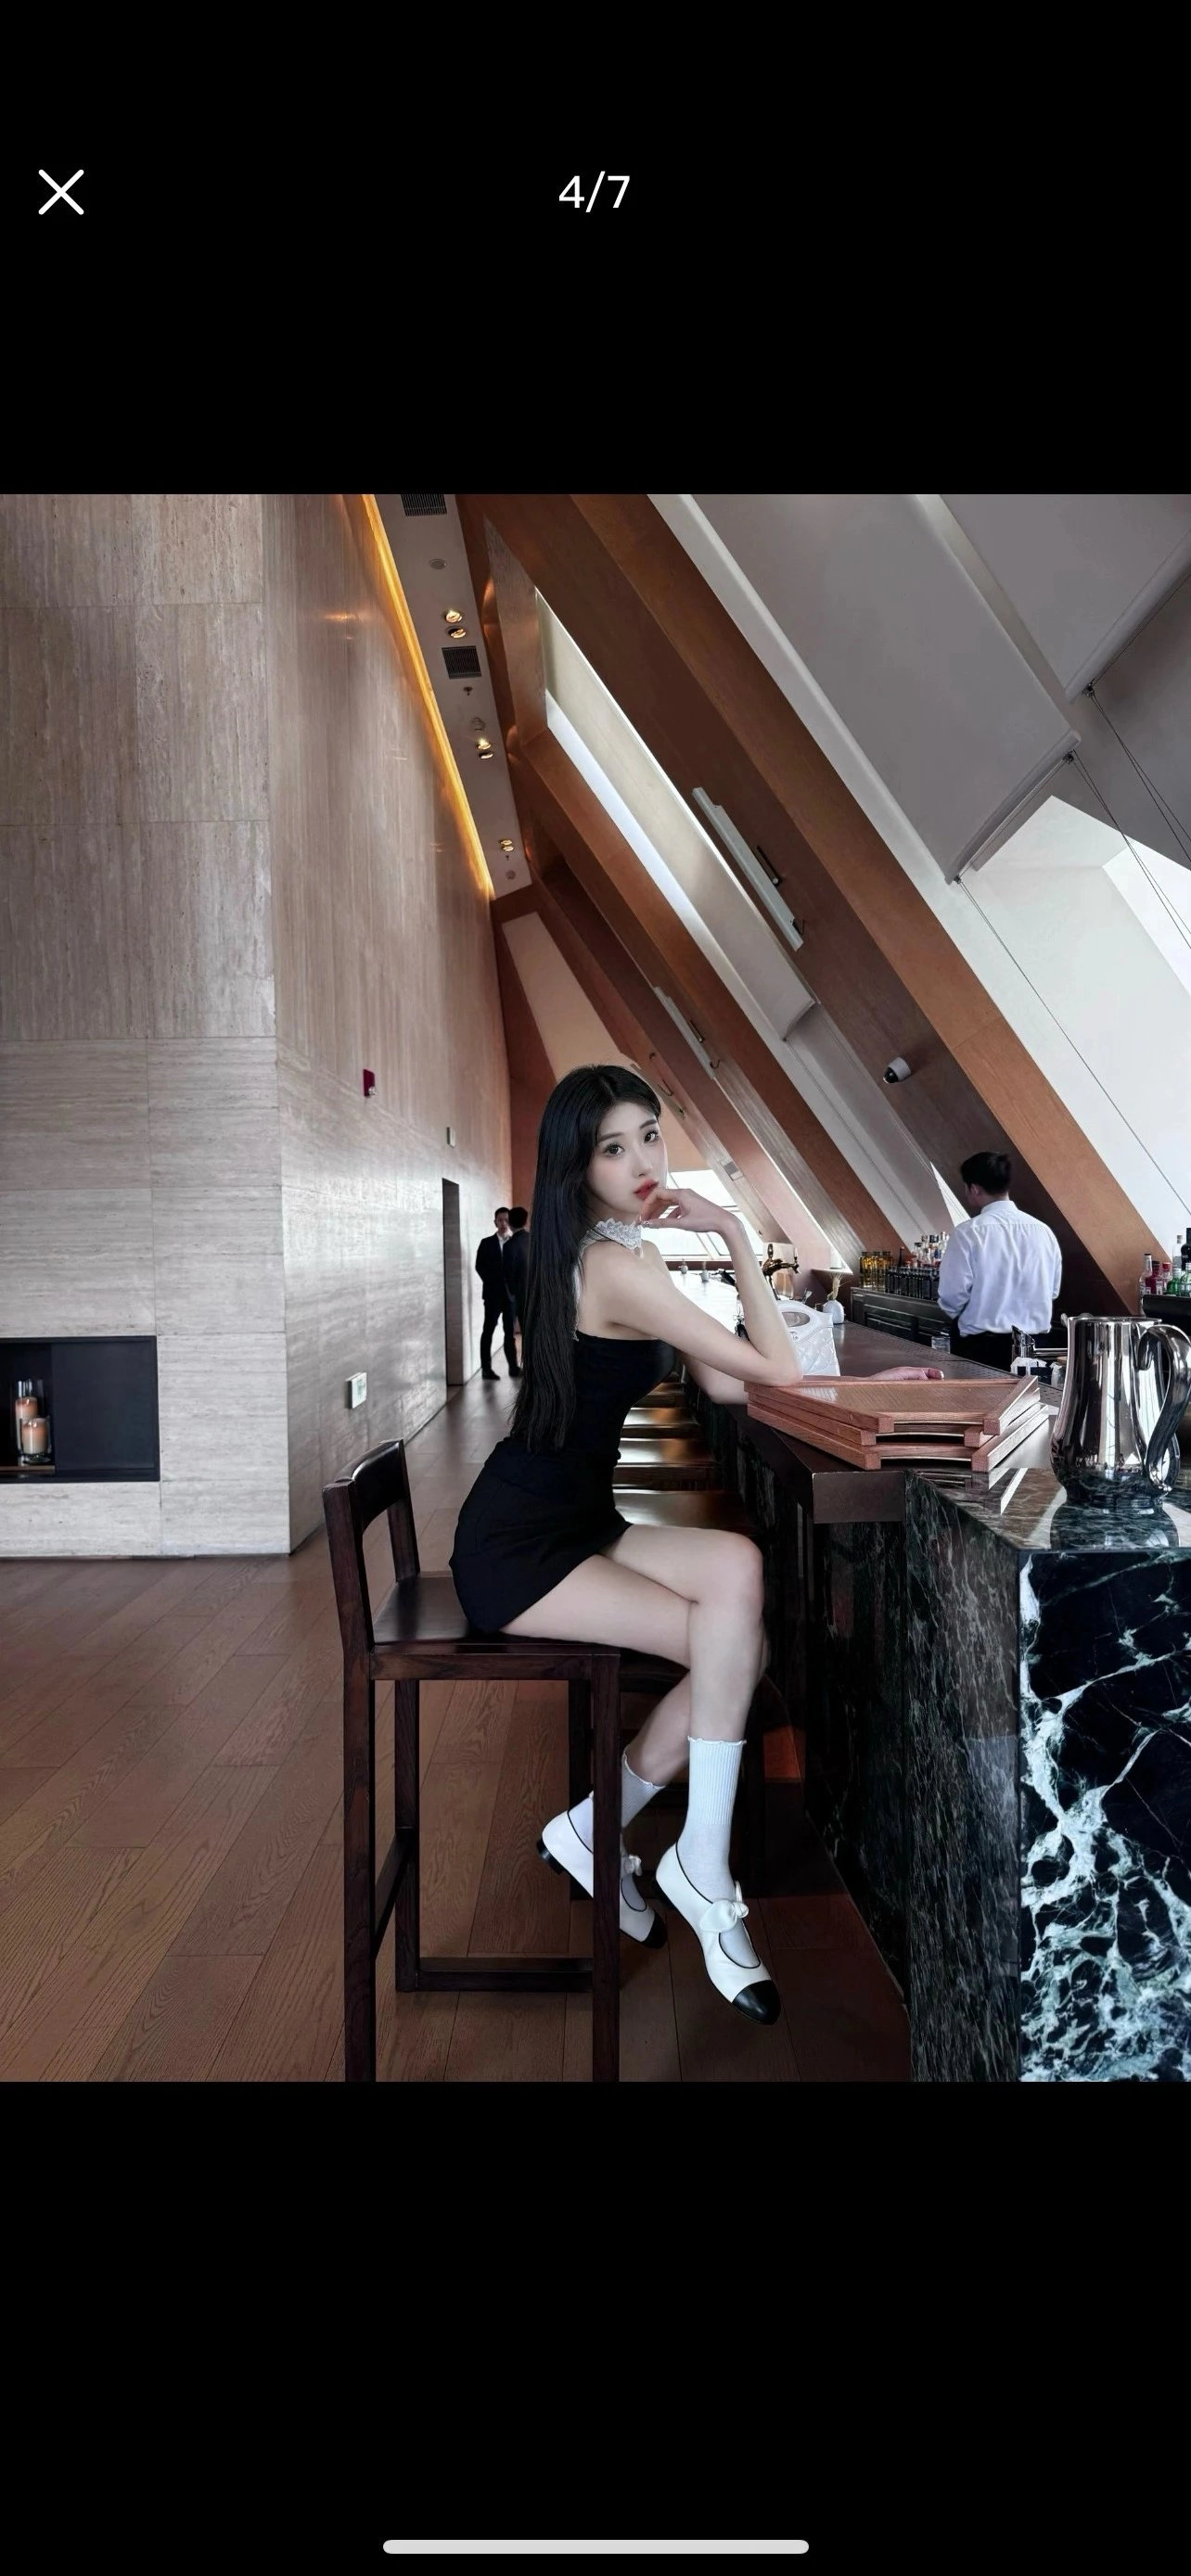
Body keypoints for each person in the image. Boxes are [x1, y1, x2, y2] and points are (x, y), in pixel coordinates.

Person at [449, 1064, 939, 2029]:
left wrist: (859, 1393)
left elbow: (726, 1384)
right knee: (734, 1650)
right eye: (613, 1148)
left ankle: (597, 1831)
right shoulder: (616, 1269)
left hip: (577, 1519)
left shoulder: (614, 1250)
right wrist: (731, 1235)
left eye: (649, 1136)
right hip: (518, 1546)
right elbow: (771, 1367)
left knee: (738, 1585)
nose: (642, 1162)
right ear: (577, 1167)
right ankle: (702, 1871)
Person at [937, 1151, 1062, 1371]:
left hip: (981, 1346)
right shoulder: (1043, 1231)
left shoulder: (968, 1232)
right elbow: (1052, 1290)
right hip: (1035, 1346)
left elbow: (952, 1295)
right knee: (1029, 1395)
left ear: (974, 1188)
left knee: (977, 1395)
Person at [475, 1206, 520, 1381]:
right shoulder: (486, 1243)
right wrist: (492, 1282)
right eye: (500, 1220)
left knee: (509, 1334)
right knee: (488, 1331)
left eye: (506, 1220)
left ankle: (513, 1368)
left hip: (510, 1297)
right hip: (492, 1296)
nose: (503, 1223)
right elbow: (479, 1266)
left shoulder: (514, 1243)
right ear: (495, 1222)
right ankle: (486, 1369)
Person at [501, 1205, 530, 1343]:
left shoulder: (509, 1245)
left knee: (527, 1333)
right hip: (542, 1294)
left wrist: (512, 1293)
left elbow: (509, 1275)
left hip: (522, 1296)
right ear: (525, 1222)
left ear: (510, 1223)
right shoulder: (536, 1240)